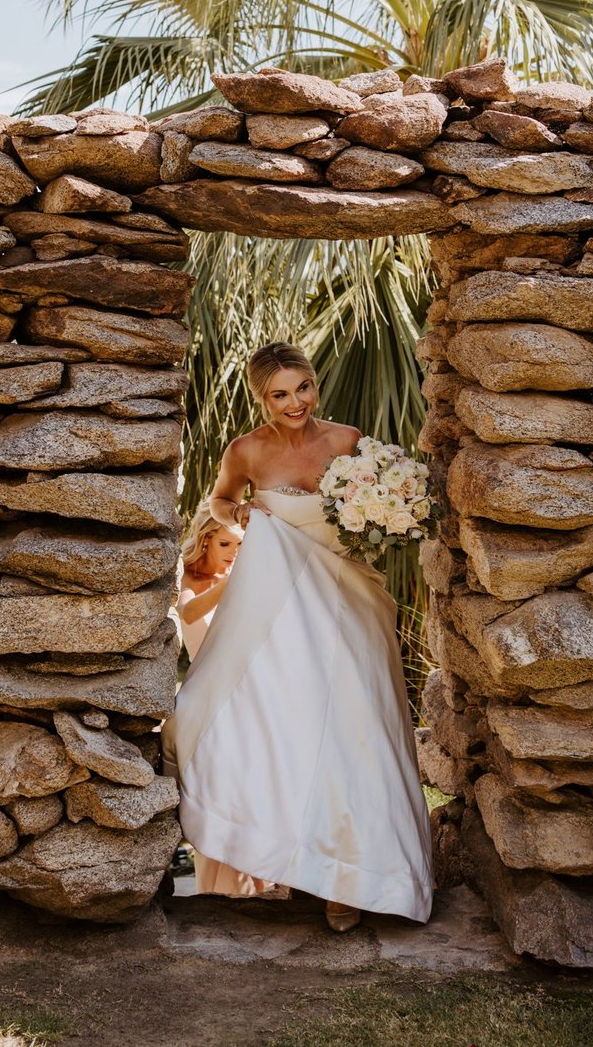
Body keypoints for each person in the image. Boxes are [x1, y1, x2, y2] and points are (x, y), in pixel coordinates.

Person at [162, 341, 434, 934]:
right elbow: (221, 499)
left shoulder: (347, 440)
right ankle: (287, 854)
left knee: (354, 724)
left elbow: (386, 500)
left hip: (349, 595)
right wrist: (244, 522)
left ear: (315, 384)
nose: (295, 403)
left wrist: (385, 521)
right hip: (279, 601)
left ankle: (357, 878)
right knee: (270, 720)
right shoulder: (246, 450)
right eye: (280, 394)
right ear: (262, 398)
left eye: (303, 388)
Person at [175, 506, 270, 897]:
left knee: (252, 793)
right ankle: (219, 890)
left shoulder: (249, 581)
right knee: (220, 796)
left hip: (250, 702)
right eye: (225, 543)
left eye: (240, 545)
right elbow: (187, 611)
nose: (233, 551)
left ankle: (255, 885)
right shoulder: (190, 579)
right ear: (206, 540)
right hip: (208, 703)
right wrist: (226, 587)